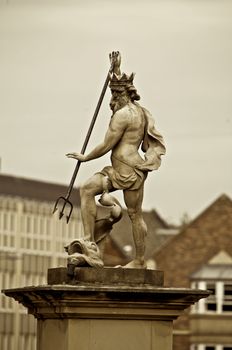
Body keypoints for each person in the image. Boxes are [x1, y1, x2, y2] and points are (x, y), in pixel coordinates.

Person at [66, 52, 166, 268]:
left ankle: (95, 244)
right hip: (132, 169)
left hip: (125, 172)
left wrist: (85, 157)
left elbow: (106, 144)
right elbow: (121, 87)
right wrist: (116, 70)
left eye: (114, 94)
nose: (111, 99)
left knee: (92, 192)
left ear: (121, 94)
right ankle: (129, 257)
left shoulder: (122, 116)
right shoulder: (139, 111)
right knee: (132, 213)